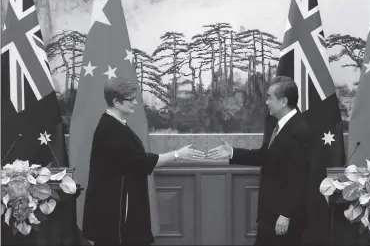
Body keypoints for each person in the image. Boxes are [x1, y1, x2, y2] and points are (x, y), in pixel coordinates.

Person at [82, 78, 205, 245]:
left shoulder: (115, 123)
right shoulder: (110, 128)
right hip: (113, 208)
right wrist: (177, 154)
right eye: (130, 99)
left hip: (117, 203)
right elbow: (140, 161)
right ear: (116, 102)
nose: (135, 103)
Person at [207, 76, 311, 245]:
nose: (266, 102)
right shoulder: (274, 124)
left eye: (270, 97)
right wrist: (232, 152)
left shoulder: (300, 130)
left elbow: (299, 178)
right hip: (268, 213)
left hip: (284, 217)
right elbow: (265, 155)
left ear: (283, 101)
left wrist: (286, 214)